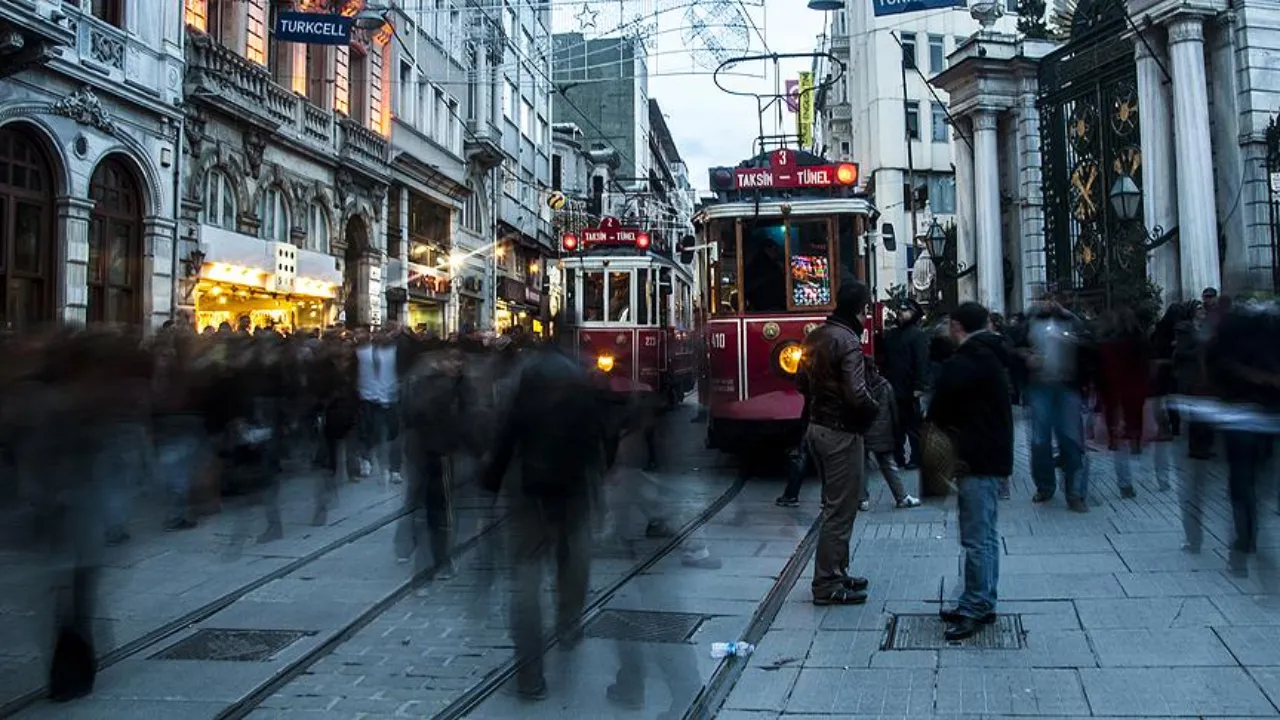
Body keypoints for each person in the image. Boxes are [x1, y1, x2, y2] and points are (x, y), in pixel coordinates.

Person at [928, 302, 1013, 641]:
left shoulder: (969, 360)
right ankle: (982, 599)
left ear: (956, 324)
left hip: (976, 456)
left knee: (976, 536)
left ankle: (975, 605)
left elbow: (940, 407)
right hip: (991, 454)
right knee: (986, 534)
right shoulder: (990, 353)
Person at [796, 281, 878, 606]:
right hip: (841, 431)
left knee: (836, 505)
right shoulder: (849, 342)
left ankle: (838, 571)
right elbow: (857, 394)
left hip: (817, 426)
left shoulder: (816, 335)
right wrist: (875, 410)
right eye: (867, 308)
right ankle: (827, 583)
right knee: (840, 509)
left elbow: (800, 381)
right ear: (859, 310)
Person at [860, 356, 920, 511]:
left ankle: (862, 500)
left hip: (862, 432)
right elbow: (894, 411)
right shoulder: (885, 386)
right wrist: (896, 433)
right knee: (888, 465)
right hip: (883, 433)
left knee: (861, 466)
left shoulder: (857, 387)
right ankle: (901, 497)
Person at [881, 299, 931, 469]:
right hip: (893, 387)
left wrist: (919, 386)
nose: (901, 313)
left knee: (913, 426)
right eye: (900, 310)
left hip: (909, 389)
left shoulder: (918, 335)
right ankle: (898, 456)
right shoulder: (891, 335)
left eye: (905, 310)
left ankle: (916, 457)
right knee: (895, 426)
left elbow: (921, 362)